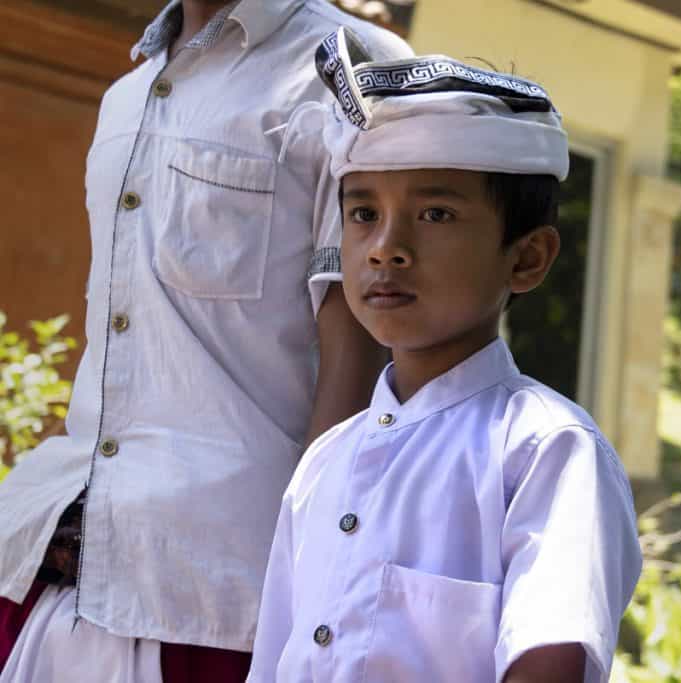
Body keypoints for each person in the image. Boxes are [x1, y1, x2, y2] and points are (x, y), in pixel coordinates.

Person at [0, 2, 411, 681]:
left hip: (219, 605)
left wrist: (313, 593)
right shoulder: (125, 95)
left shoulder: (348, 68)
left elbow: (363, 350)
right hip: (48, 570)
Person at [245, 29, 643, 683]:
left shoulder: (547, 449)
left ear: (528, 257)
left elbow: (549, 663)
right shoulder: (324, 462)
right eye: (363, 213)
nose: (385, 248)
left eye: (434, 214)